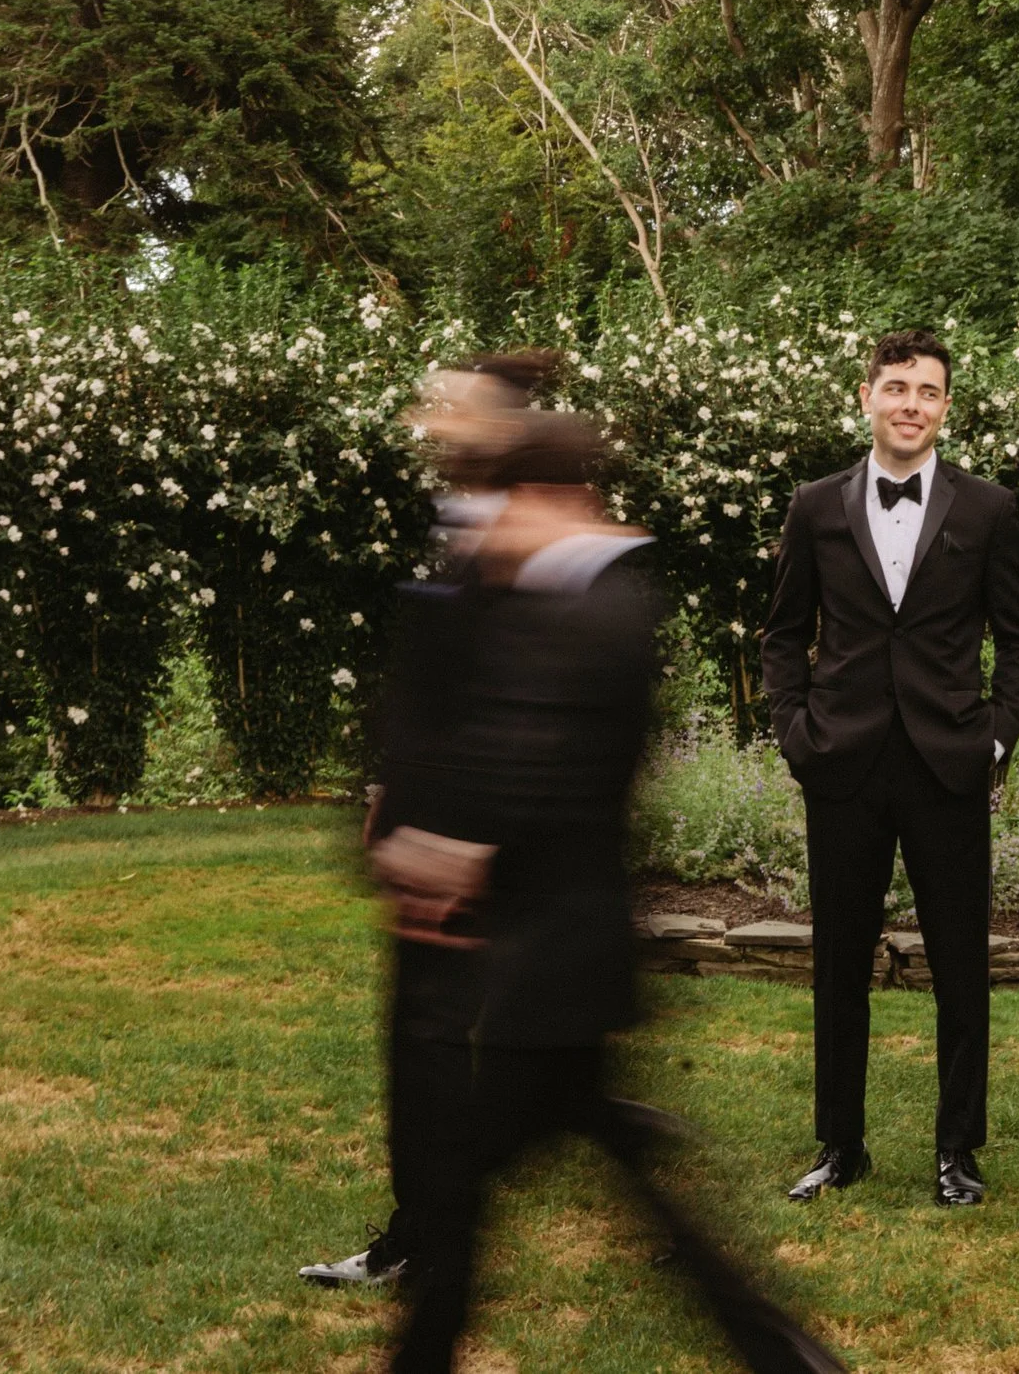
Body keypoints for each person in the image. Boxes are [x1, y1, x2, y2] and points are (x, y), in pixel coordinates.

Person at [376, 412, 844, 1374]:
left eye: (506, 506)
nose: (491, 528)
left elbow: (549, 764)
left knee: (456, 1192)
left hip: (552, 966)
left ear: (553, 500)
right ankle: (783, 1356)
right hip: (557, 967)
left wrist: (455, 850)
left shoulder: (601, 610)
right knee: (600, 1169)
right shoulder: (558, 598)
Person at [758, 328, 1019, 1208]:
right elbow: (781, 634)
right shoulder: (814, 505)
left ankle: (957, 1149)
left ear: (946, 406)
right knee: (839, 964)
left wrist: (992, 739)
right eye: (896, 387)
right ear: (865, 396)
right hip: (841, 765)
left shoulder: (988, 509)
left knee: (961, 967)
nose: (911, 403)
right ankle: (841, 1145)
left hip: (947, 765)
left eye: (928, 390)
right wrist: (795, 733)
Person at [301, 351, 558, 1291]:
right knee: (421, 1047)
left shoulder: (522, 551)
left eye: (451, 410)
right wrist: (383, 791)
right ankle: (422, 1228)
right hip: (421, 843)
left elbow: (520, 708)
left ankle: (435, 1237)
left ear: (501, 430)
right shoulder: (454, 530)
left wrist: (471, 842)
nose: (432, 423)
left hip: (469, 857)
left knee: (454, 1053)